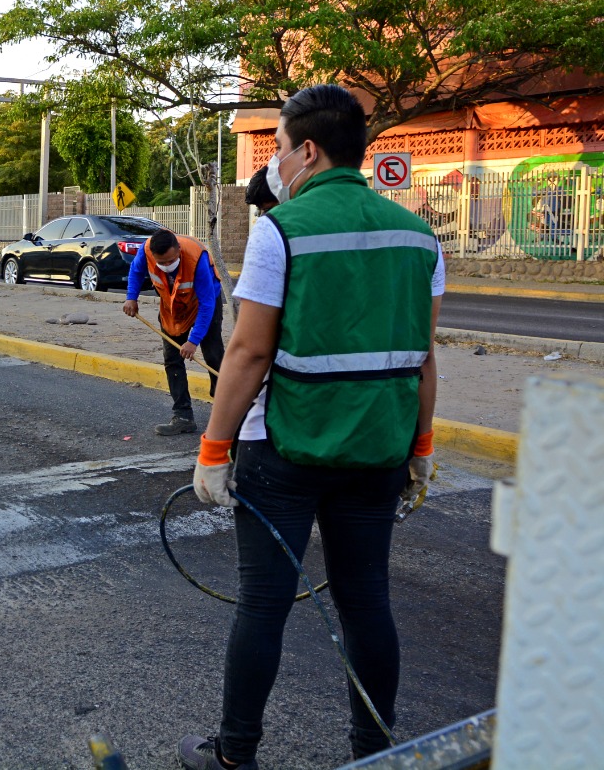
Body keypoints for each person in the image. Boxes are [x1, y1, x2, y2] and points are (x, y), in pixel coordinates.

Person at [176, 84, 444, 770]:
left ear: (310, 151)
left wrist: (213, 448)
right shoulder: (418, 236)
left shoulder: (282, 230)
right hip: (379, 450)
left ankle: (236, 755)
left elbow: (248, 352)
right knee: (367, 603)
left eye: (280, 148)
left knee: (264, 605)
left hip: (284, 453)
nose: (277, 161)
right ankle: (374, 754)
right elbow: (422, 356)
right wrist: (420, 446)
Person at [122, 228, 225, 436]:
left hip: (204, 304)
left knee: (213, 356)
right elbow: (136, 271)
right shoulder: (146, 250)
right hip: (173, 305)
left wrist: (193, 341)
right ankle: (183, 417)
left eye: (171, 260)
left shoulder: (197, 258)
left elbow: (207, 304)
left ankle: (225, 408)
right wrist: (131, 297)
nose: (167, 265)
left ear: (178, 249)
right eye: (162, 262)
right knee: (172, 358)